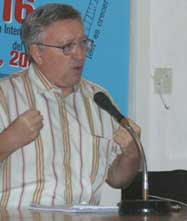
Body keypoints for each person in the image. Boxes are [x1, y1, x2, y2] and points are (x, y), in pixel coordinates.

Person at [0, 3, 141, 208]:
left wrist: (131, 154)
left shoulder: (99, 99)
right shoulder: (5, 96)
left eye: (83, 43)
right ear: (37, 53)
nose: (80, 55)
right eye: (67, 47)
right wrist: (8, 140)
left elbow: (118, 179)